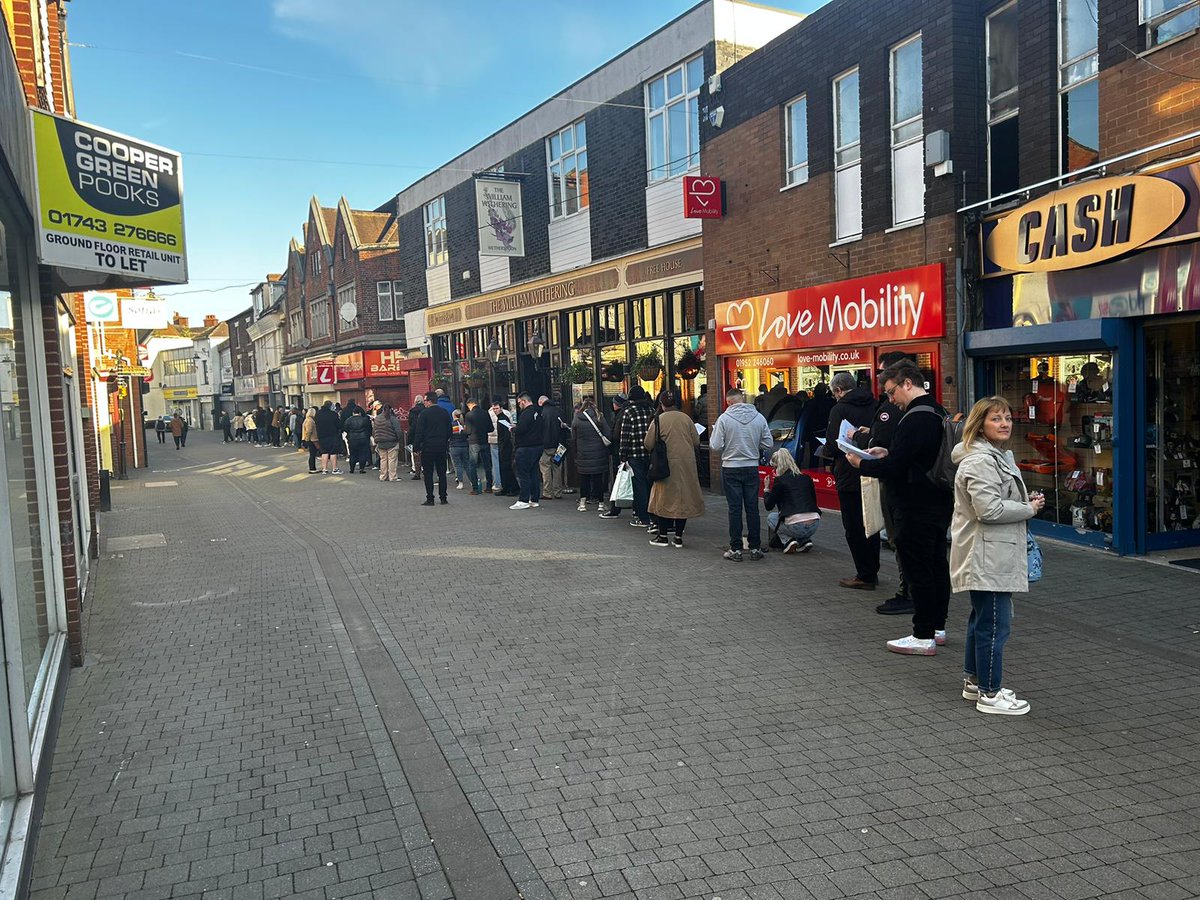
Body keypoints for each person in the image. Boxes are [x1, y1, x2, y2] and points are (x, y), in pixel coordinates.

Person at [849, 360, 953, 656]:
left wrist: (862, 464)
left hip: (914, 504)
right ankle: (937, 628)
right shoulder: (937, 411)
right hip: (936, 502)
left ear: (908, 383)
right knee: (935, 566)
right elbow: (915, 456)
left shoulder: (915, 418)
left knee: (918, 569)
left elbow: (897, 467)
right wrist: (887, 452)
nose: (890, 399)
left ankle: (922, 634)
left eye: (891, 391)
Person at [951, 396, 1044, 715]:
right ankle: (990, 694)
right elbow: (988, 509)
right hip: (987, 554)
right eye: (996, 419)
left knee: (982, 620)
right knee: (995, 624)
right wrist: (1027, 508)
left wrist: (1021, 501)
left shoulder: (994, 456)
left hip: (990, 551)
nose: (1004, 424)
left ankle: (976, 682)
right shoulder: (980, 461)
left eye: (1007, 417)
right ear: (980, 425)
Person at [868, 352, 915, 615]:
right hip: (907, 488)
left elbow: (889, 446)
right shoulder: (918, 410)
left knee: (901, 539)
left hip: (901, 488)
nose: (887, 393)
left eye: (885, 376)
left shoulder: (901, 411)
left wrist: (870, 454)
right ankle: (909, 591)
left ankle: (908, 592)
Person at [825, 371, 880, 589]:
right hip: (873, 468)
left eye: (834, 393)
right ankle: (872, 570)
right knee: (871, 522)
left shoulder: (839, 409)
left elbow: (832, 443)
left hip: (848, 472)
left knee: (853, 525)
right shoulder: (874, 403)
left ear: (838, 390)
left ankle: (864, 575)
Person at [709, 388, 773, 561]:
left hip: (731, 467)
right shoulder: (759, 417)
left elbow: (715, 445)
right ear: (742, 399)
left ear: (729, 402)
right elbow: (768, 443)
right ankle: (755, 548)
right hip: (752, 466)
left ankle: (736, 549)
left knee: (735, 509)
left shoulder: (724, 419)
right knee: (752, 508)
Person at [645, 390, 703, 548]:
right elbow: (696, 441)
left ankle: (662, 536)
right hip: (686, 465)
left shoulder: (658, 420)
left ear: (662, 404)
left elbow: (648, 444)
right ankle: (678, 537)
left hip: (665, 465)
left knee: (664, 500)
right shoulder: (686, 418)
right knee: (683, 499)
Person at [610, 386, 654, 529]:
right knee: (650, 485)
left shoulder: (629, 411)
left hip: (634, 454)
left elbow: (625, 435)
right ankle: (653, 515)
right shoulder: (651, 410)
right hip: (650, 454)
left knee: (639, 486)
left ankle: (643, 517)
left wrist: (622, 456)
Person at [763, 448, 821, 554]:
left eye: (774, 467)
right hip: (814, 524)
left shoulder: (780, 481)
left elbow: (768, 506)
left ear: (778, 466)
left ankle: (788, 541)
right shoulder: (806, 478)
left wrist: (766, 489)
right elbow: (813, 501)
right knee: (794, 519)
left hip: (796, 526)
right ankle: (804, 541)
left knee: (771, 517)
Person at [571, 396, 612, 512]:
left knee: (584, 479)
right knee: (598, 478)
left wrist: (576, 454)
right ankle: (600, 503)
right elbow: (608, 433)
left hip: (583, 454)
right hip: (598, 453)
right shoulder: (599, 417)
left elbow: (573, 438)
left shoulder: (576, 419)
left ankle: (583, 503)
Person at [412, 392, 452, 505]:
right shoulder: (444, 413)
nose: (424, 403)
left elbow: (419, 432)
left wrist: (416, 447)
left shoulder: (424, 414)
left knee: (428, 474)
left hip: (428, 448)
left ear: (429, 401)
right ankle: (443, 498)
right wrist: (445, 440)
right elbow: (449, 430)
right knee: (442, 473)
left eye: (425, 400)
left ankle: (430, 498)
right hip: (441, 447)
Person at [511, 392, 543, 509]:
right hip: (538, 446)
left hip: (525, 447)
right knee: (534, 473)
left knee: (523, 473)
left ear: (524, 401)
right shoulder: (539, 412)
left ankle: (523, 499)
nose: (519, 405)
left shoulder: (526, 413)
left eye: (519, 403)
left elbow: (521, 429)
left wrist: (513, 429)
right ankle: (534, 499)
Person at [598, 393, 629, 519]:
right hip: (629, 451)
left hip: (620, 451)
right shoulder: (626, 412)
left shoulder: (620, 415)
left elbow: (616, 435)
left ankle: (615, 507)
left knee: (618, 480)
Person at [538, 395, 565, 500]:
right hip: (559, 445)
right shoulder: (559, 411)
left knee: (545, 468)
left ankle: (547, 492)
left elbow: (540, 430)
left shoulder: (542, 413)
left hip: (546, 445)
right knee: (557, 467)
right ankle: (558, 492)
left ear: (541, 403)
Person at [465, 398, 494, 494]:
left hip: (474, 442)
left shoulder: (469, 415)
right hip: (484, 441)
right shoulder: (485, 413)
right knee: (487, 465)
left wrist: (463, 431)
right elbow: (491, 428)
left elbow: (468, 431)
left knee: (473, 465)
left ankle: (475, 488)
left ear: (470, 405)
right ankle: (489, 486)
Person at [371, 401, 403, 482]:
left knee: (383, 459)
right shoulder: (392, 418)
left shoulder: (377, 418)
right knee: (392, 460)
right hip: (392, 442)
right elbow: (398, 431)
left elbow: (374, 431)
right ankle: (392, 477)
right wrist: (399, 440)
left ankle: (383, 476)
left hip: (381, 442)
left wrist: (376, 439)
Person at [315, 400, 343, 475]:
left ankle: (324, 469)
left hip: (321, 436)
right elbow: (338, 425)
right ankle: (334, 469)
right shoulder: (333, 414)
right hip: (332, 435)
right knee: (333, 452)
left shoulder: (318, 414)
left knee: (324, 452)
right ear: (330, 406)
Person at [343, 404, 373, 474]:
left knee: (353, 454)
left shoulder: (348, 420)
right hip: (363, 438)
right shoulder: (365, 420)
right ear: (359, 413)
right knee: (362, 453)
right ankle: (361, 468)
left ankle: (352, 469)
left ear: (353, 413)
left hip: (352, 439)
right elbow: (369, 428)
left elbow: (345, 429)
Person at [448, 409, 471, 491]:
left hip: (454, 446)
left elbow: (449, 435)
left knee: (458, 466)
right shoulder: (464, 425)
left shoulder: (452, 425)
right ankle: (472, 481)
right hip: (464, 446)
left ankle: (460, 482)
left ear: (453, 416)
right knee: (467, 464)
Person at [487, 398, 504, 494]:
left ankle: (497, 483)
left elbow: (488, 427)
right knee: (504, 461)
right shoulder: (507, 413)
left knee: (495, 462)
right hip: (503, 441)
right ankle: (503, 482)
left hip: (493, 440)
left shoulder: (489, 413)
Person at [408, 396, 425, 481]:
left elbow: (411, 425)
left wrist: (409, 438)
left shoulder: (412, 411)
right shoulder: (426, 410)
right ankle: (425, 471)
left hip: (415, 435)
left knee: (416, 454)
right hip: (425, 436)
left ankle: (417, 473)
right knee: (425, 455)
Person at [302, 407, 319, 473]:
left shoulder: (307, 419)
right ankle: (312, 468)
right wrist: (307, 439)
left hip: (309, 439)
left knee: (312, 454)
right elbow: (309, 431)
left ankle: (313, 468)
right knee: (312, 454)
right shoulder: (310, 421)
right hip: (311, 439)